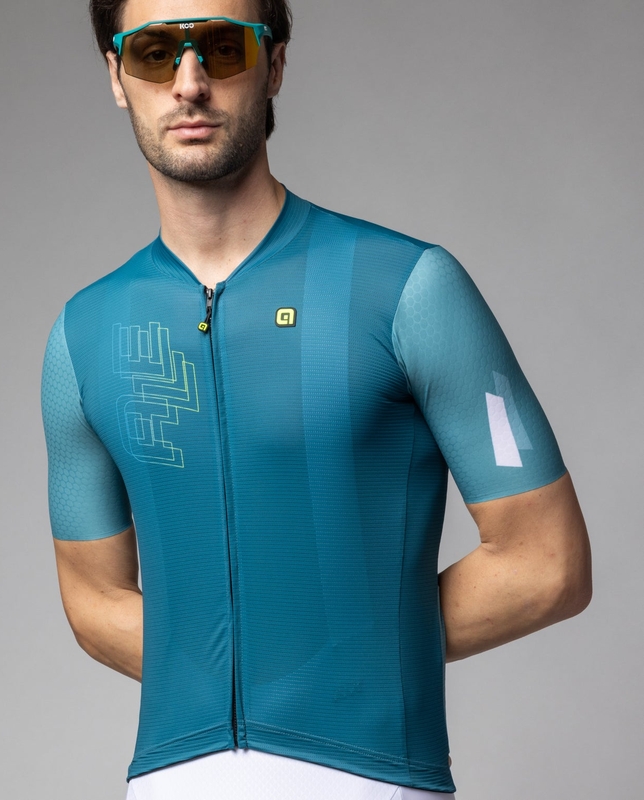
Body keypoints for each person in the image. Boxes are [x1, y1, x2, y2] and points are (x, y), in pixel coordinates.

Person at [41, 1, 593, 797]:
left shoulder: (408, 289)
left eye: (222, 48)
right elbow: (93, 599)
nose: (189, 83)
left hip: (371, 777)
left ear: (275, 64)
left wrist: (339, 662)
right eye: (155, 52)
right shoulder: (85, 334)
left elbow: (547, 563)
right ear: (117, 76)